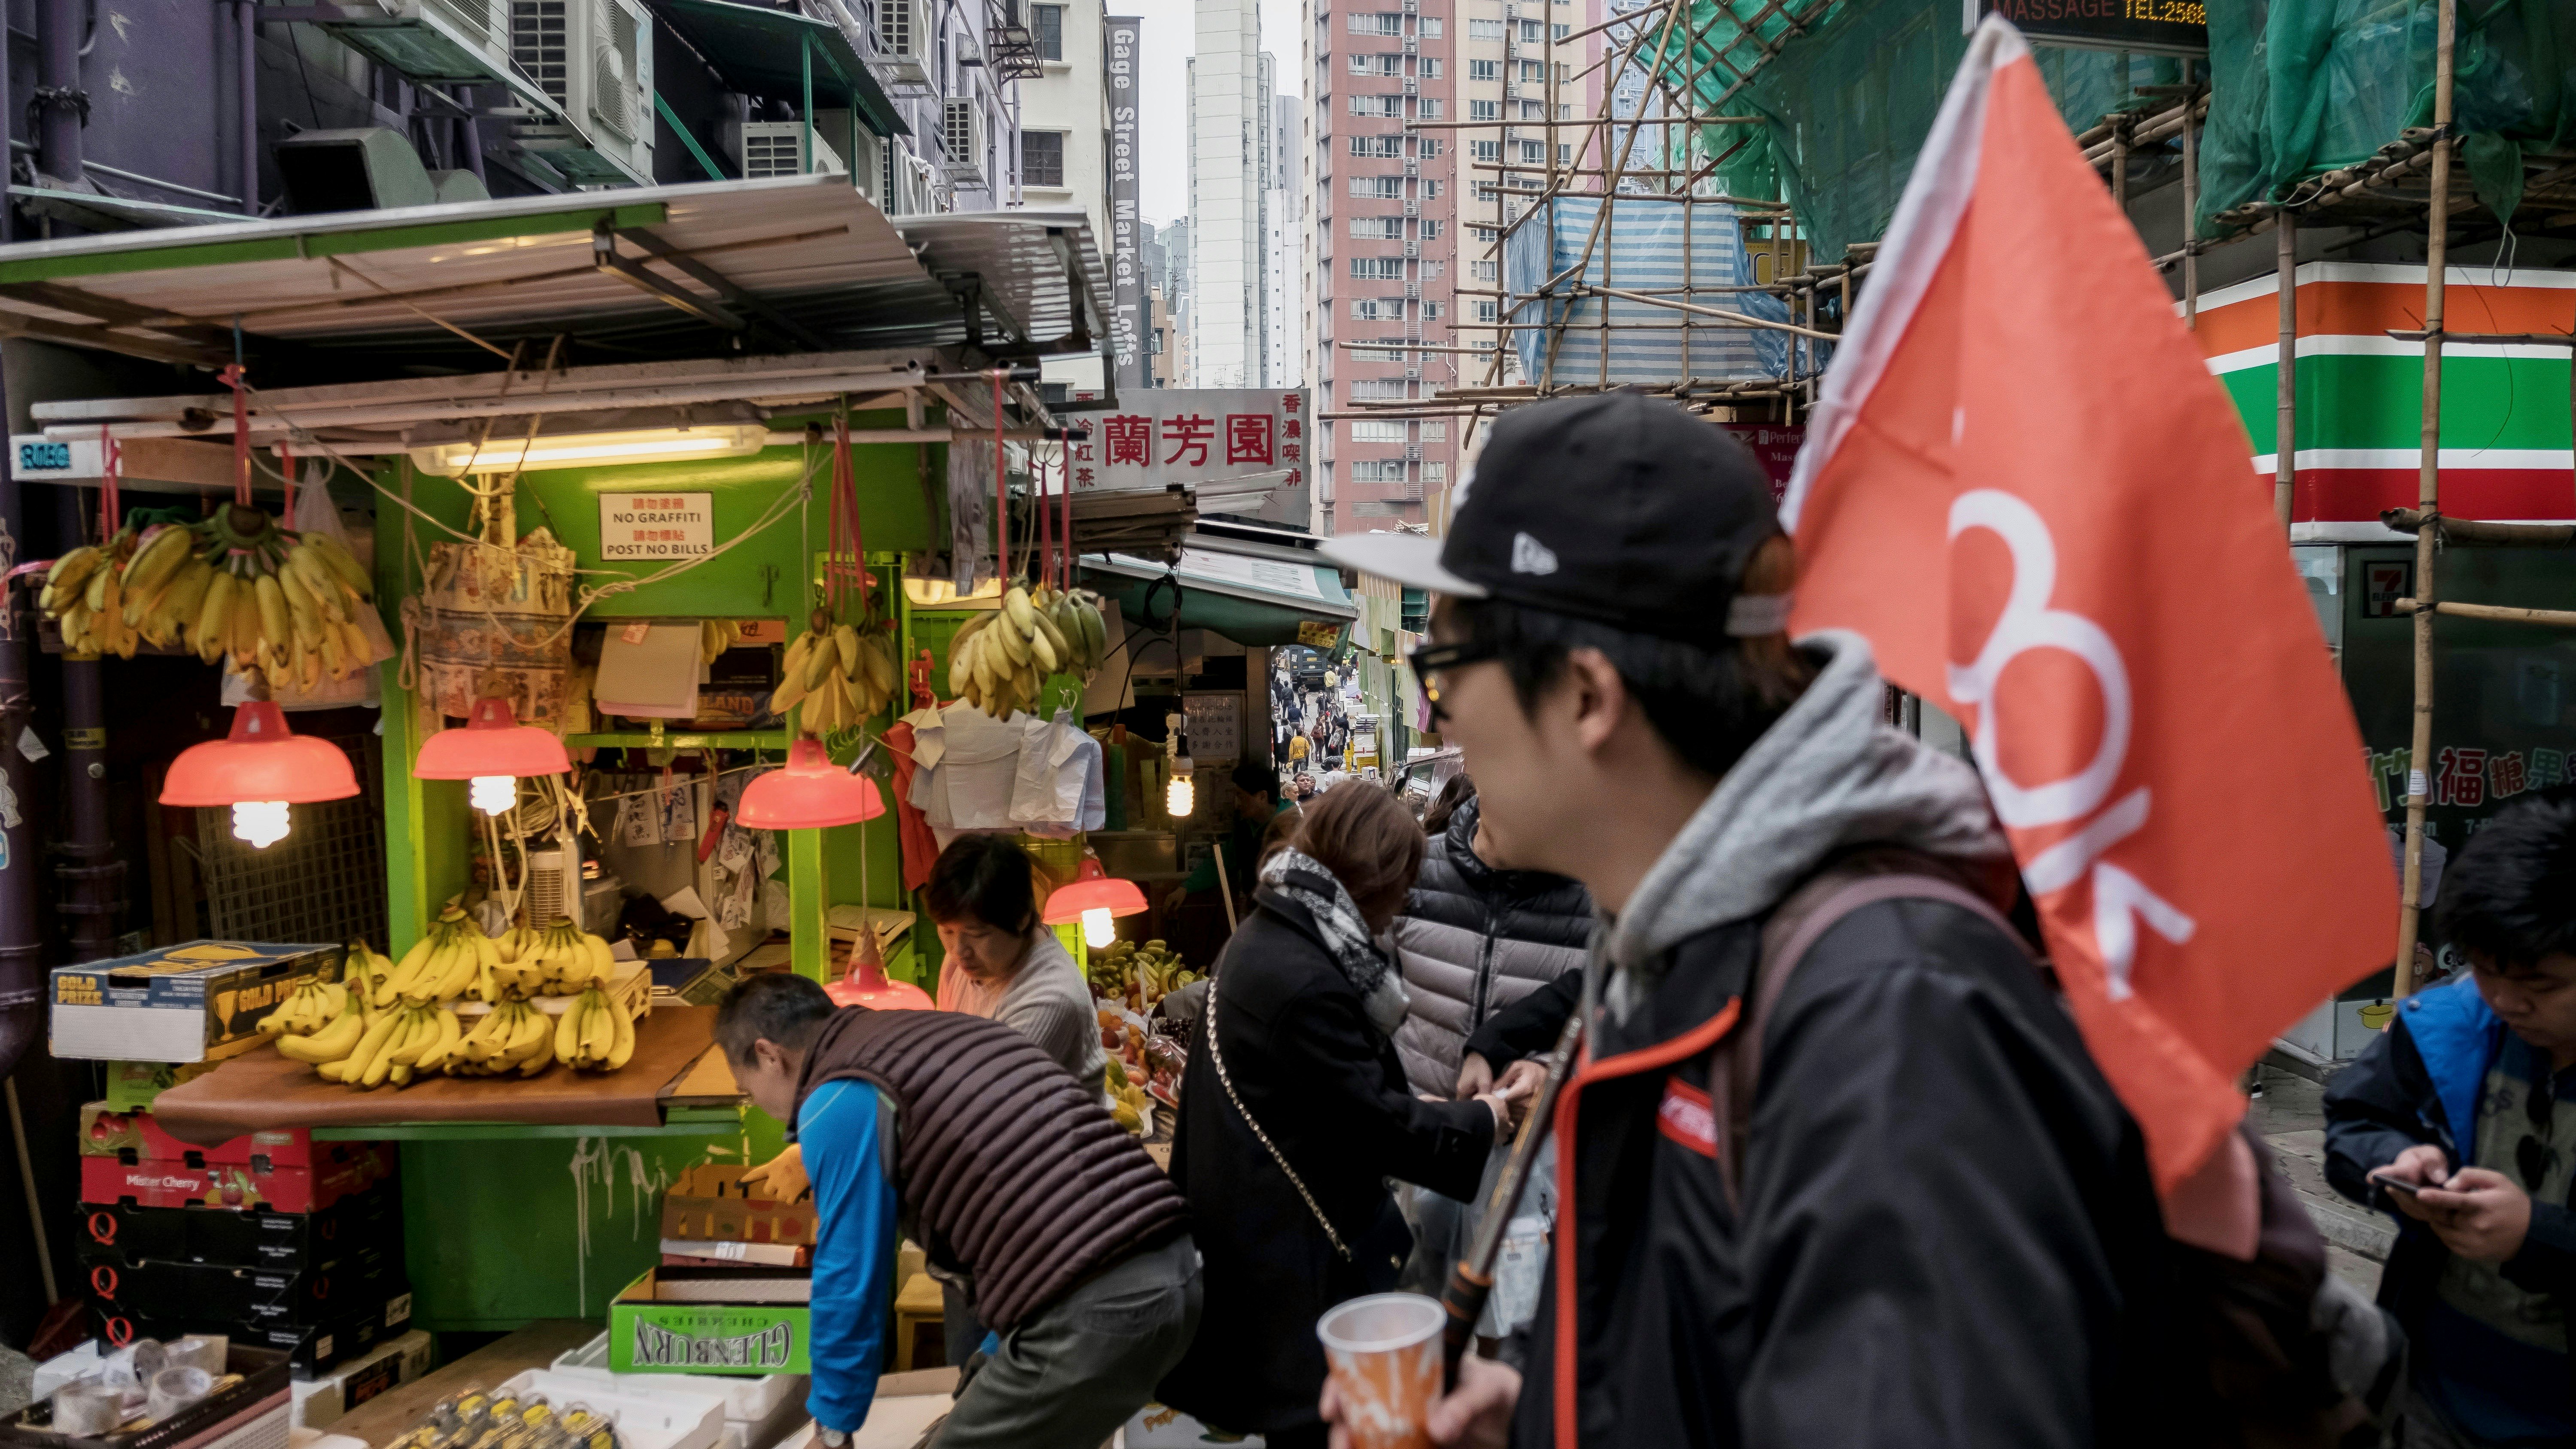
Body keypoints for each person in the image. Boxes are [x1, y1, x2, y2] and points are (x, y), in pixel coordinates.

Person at [1317, 391, 2178, 1449]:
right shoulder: (1673, 953)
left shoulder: (1889, 1023)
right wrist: (1542, 1420)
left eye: (1443, 668)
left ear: (1587, 696)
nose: (1437, 714)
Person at [1159, 782, 1520, 1449]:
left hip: (1262, 1241)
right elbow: (1375, 1127)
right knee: (1319, 1423)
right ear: (1374, 876)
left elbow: (1328, 1098)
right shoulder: (1305, 977)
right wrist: (1486, 1117)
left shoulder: (1276, 933)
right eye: (1404, 880)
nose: (1407, 899)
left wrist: (1420, 1108)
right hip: (1290, 1268)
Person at [715, 973, 1200, 1449]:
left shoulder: (836, 1096)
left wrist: (832, 1429)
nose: (759, 1104)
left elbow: (848, 1275)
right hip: (1175, 1269)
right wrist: (992, 1359)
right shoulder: (935, 1033)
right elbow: (1035, 1211)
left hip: (1098, 1308)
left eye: (748, 1089)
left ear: (768, 1054)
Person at [2326, 795, 2576, 1446]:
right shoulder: (2450, 1025)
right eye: (2485, 969)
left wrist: (2536, 1235)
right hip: (2433, 1399)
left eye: (2540, 983)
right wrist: (2395, 1165)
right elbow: (2356, 1120)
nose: (2505, 999)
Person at [926, 834, 1107, 1099]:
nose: (959, 952)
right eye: (947, 932)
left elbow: (984, 1102)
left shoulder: (1050, 1000)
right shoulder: (965, 958)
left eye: (977, 935)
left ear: (1022, 918)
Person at [1167, 763, 1297, 912]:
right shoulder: (1246, 829)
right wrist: (1186, 888)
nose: (1236, 804)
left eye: (1241, 796)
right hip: (1259, 912)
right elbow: (1222, 863)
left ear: (1262, 796)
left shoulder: (1291, 828)